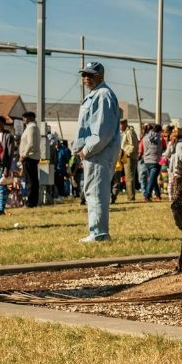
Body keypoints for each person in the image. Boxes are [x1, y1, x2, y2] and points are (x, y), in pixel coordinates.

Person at [72, 62, 121, 242]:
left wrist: (87, 150)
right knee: (92, 191)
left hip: (99, 151)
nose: (86, 78)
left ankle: (99, 233)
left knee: (97, 191)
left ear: (101, 76)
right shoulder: (95, 95)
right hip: (94, 152)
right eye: (84, 74)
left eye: (91, 75)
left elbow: (102, 131)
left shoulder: (103, 95)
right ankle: (96, 231)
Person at [19, 112, 41, 208]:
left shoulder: (31, 127)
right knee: (32, 180)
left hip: (29, 157)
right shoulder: (32, 127)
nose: (24, 120)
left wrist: (24, 155)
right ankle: (33, 201)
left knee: (30, 181)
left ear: (30, 118)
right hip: (31, 157)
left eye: (25, 118)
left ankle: (31, 202)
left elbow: (30, 143)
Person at [140, 124, 164, 202]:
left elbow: (141, 148)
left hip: (147, 161)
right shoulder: (160, 138)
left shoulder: (144, 138)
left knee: (152, 179)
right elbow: (164, 147)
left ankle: (158, 195)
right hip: (156, 161)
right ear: (159, 130)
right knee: (151, 179)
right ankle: (147, 196)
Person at [119, 119, 139, 200]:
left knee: (129, 178)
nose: (119, 126)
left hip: (129, 157)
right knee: (127, 178)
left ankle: (131, 197)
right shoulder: (125, 132)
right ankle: (130, 196)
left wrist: (126, 154)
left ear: (125, 124)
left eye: (121, 124)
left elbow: (132, 146)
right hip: (126, 156)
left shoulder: (130, 132)